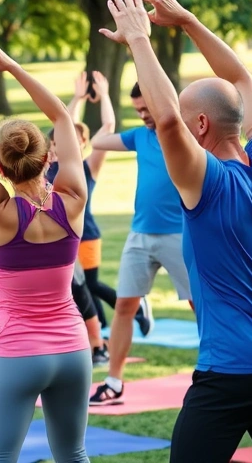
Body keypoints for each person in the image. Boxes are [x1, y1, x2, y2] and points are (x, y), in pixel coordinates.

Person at [110, 0, 252, 462]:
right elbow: (243, 81)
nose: (177, 127)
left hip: (232, 375)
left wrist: (141, 37)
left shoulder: (208, 183)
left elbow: (165, 121)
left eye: (186, 120)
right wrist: (186, 21)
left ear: (200, 127)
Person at [0, 22, 90, 463]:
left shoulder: (0, 212)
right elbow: (64, 118)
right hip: (73, 352)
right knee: (74, 456)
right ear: (48, 157)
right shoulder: (74, 200)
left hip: (17, 356)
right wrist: (11, 66)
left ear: (0, 167)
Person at [88, 82, 193, 405]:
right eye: (138, 110)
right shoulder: (139, 136)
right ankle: (114, 381)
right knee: (123, 306)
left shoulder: (185, 136)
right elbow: (97, 141)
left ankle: (219, 372)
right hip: (140, 235)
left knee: (201, 305)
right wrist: (102, 99)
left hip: (180, 235)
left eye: (148, 108)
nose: (144, 116)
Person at [44, 71, 116, 367]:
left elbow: (109, 126)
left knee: (87, 289)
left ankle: (99, 343)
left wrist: (105, 95)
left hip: (84, 236)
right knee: (75, 292)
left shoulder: (86, 169)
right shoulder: (47, 169)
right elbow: (62, 124)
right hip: (54, 241)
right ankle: (89, 342)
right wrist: (74, 99)